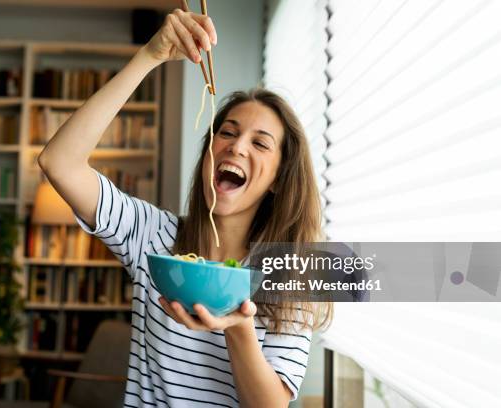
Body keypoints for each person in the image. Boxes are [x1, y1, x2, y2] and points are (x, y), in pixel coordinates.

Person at [38, 7, 332, 408]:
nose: (236, 145)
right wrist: (150, 56)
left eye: (260, 143)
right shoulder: (154, 236)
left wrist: (239, 326)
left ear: (280, 179)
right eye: (226, 132)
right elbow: (59, 162)